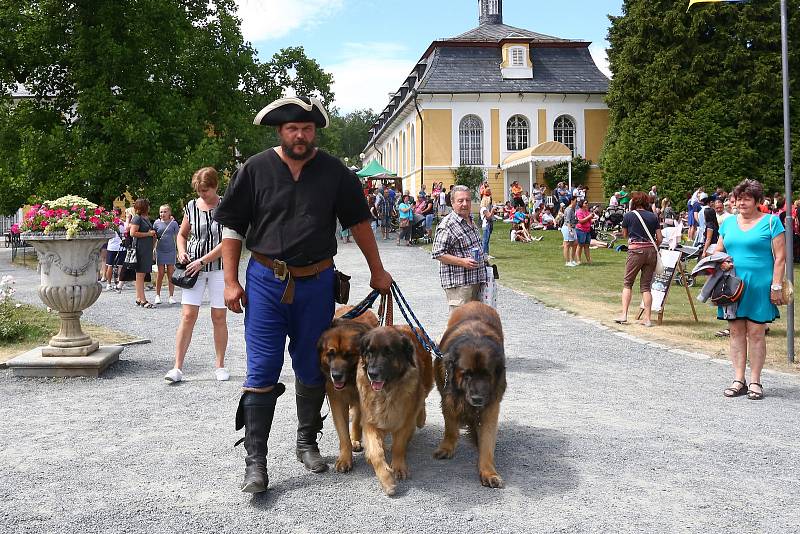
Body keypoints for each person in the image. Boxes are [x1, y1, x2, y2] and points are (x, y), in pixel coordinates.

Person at [213, 96, 392, 493]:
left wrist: (378, 271)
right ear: (280, 130)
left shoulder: (334, 172)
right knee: (261, 368)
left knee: (314, 367)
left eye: (307, 129)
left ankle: (307, 442)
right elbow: (232, 229)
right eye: (293, 128)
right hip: (264, 281)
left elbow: (359, 223)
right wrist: (229, 281)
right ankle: (255, 463)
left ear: (315, 132)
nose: (300, 135)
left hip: (316, 283)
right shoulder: (255, 169)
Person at [716, 180, 785, 401]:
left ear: (757, 201)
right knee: (736, 332)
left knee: (756, 333)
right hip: (732, 286)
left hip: (760, 286)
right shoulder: (727, 223)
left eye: (747, 199)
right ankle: (738, 379)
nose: (741, 203)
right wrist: (721, 261)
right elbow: (718, 250)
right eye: (738, 199)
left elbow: (781, 258)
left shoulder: (772, 222)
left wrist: (777, 286)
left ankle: (755, 380)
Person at [164, 167, 229, 384]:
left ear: (215, 186)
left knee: (219, 317)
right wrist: (181, 251)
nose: (203, 194)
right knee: (188, 316)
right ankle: (177, 367)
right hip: (192, 268)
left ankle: (220, 366)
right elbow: (182, 235)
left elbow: (227, 242)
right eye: (200, 191)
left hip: (218, 267)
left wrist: (204, 260)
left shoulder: (226, 205)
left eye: (206, 190)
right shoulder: (191, 206)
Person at [432, 185, 488, 312]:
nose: (465, 204)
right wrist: (462, 262)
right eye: (460, 200)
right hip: (460, 285)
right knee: (459, 326)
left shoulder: (470, 219)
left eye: (467, 200)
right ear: (452, 203)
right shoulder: (448, 225)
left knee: (474, 324)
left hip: (475, 281)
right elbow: (437, 253)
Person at [616, 191, 662, 327]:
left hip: (635, 251)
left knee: (628, 283)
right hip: (651, 252)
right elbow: (659, 238)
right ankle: (647, 318)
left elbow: (625, 234)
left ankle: (624, 314)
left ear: (633, 203)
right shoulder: (653, 216)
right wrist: (652, 246)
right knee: (646, 286)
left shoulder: (629, 216)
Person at [127, 198, 156, 308]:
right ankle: (143, 299)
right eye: (147, 205)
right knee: (140, 274)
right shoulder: (137, 218)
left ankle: (139, 298)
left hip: (146, 249)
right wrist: (148, 234)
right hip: (140, 249)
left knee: (142, 274)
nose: (149, 207)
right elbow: (132, 233)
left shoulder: (145, 218)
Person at [153, 204, 180, 305]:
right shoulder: (156, 223)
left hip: (171, 250)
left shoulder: (173, 223)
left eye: (165, 212)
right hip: (160, 250)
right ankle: (157, 295)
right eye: (161, 212)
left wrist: (179, 251)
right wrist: (153, 250)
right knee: (160, 273)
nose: (162, 214)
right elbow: (154, 237)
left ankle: (171, 296)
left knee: (170, 274)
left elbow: (177, 237)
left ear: (169, 213)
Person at [575, 199, 593, 264]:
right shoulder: (579, 212)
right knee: (580, 245)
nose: (587, 204)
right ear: (581, 204)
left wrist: (593, 220)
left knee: (587, 245)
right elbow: (581, 221)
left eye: (587, 203)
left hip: (587, 230)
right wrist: (589, 217)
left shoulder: (587, 211)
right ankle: (578, 260)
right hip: (581, 230)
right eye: (585, 203)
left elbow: (589, 221)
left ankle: (588, 260)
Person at [562, 196, 578, 267]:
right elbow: (567, 220)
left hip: (573, 227)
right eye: (576, 201)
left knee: (575, 243)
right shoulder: (569, 209)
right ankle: (567, 262)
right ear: (572, 201)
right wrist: (570, 230)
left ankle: (572, 260)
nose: (576, 202)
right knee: (567, 244)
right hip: (567, 227)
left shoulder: (573, 209)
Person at [480, 187, 494, 255]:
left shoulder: (486, 208)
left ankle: (487, 254)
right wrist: (492, 211)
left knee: (487, 240)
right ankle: (484, 253)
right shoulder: (484, 209)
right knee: (485, 240)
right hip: (486, 225)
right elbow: (488, 216)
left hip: (488, 225)